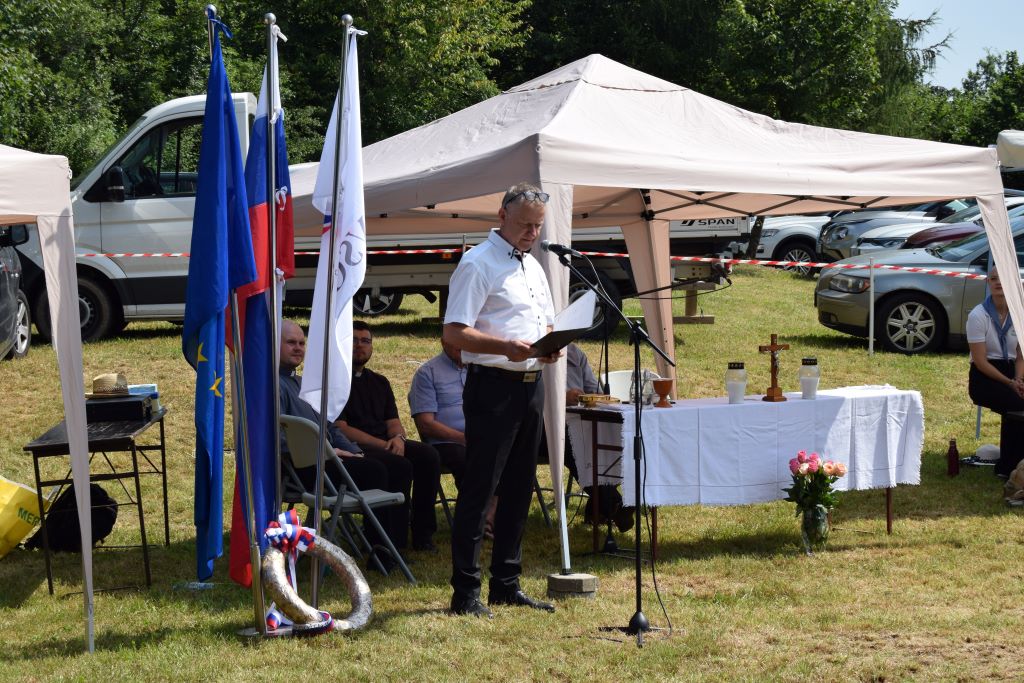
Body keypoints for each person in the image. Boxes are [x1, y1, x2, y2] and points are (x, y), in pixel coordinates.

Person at [442, 182, 561, 618]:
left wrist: (550, 345)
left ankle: (506, 584)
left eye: (538, 226)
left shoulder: (534, 266)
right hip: (492, 385)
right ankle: (465, 592)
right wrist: (503, 347)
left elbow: (544, 323)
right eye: (526, 224)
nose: (532, 233)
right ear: (502, 216)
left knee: (519, 487)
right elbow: (454, 333)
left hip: (530, 385)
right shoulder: (478, 263)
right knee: (480, 489)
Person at [277, 320, 412, 568]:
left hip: (327, 458)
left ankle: (394, 545)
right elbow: (278, 439)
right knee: (375, 470)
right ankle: (380, 552)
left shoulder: (303, 384)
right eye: (291, 343)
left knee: (394, 465)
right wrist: (327, 451)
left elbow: (330, 427)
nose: (298, 348)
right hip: (303, 467)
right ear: (275, 346)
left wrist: (354, 451)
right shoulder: (273, 386)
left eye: (301, 343)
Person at [335, 321, 443, 552]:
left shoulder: (379, 382)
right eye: (354, 340)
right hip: (354, 448)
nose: (359, 346)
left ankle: (423, 534)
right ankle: (393, 542)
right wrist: (385, 444)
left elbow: (393, 422)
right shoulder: (335, 382)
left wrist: (398, 439)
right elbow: (341, 428)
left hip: (385, 443)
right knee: (399, 465)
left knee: (428, 456)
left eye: (365, 341)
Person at [562, 343, 633, 532]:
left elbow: (595, 391)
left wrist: (594, 397)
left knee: (613, 435)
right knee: (575, 444)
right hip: (546, 428)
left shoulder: (574, 353)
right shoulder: (535, 352)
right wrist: (562, 397)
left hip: (581, 422)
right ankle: (615, 504)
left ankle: (598, 509)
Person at [967, 266, 1024, 478]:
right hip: (985, 376)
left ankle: (1012, 463)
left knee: (1017, 404)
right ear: (988, 283)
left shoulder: (1019, 313)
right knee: (1017, 404)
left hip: (1012, 370)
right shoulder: (978, 315)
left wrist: (1018, 379)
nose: (999, 282)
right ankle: (1008, 467)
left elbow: (1021, 355)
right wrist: (1010, 383)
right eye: (993, 278)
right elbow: (980, 361)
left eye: (1003, 278)